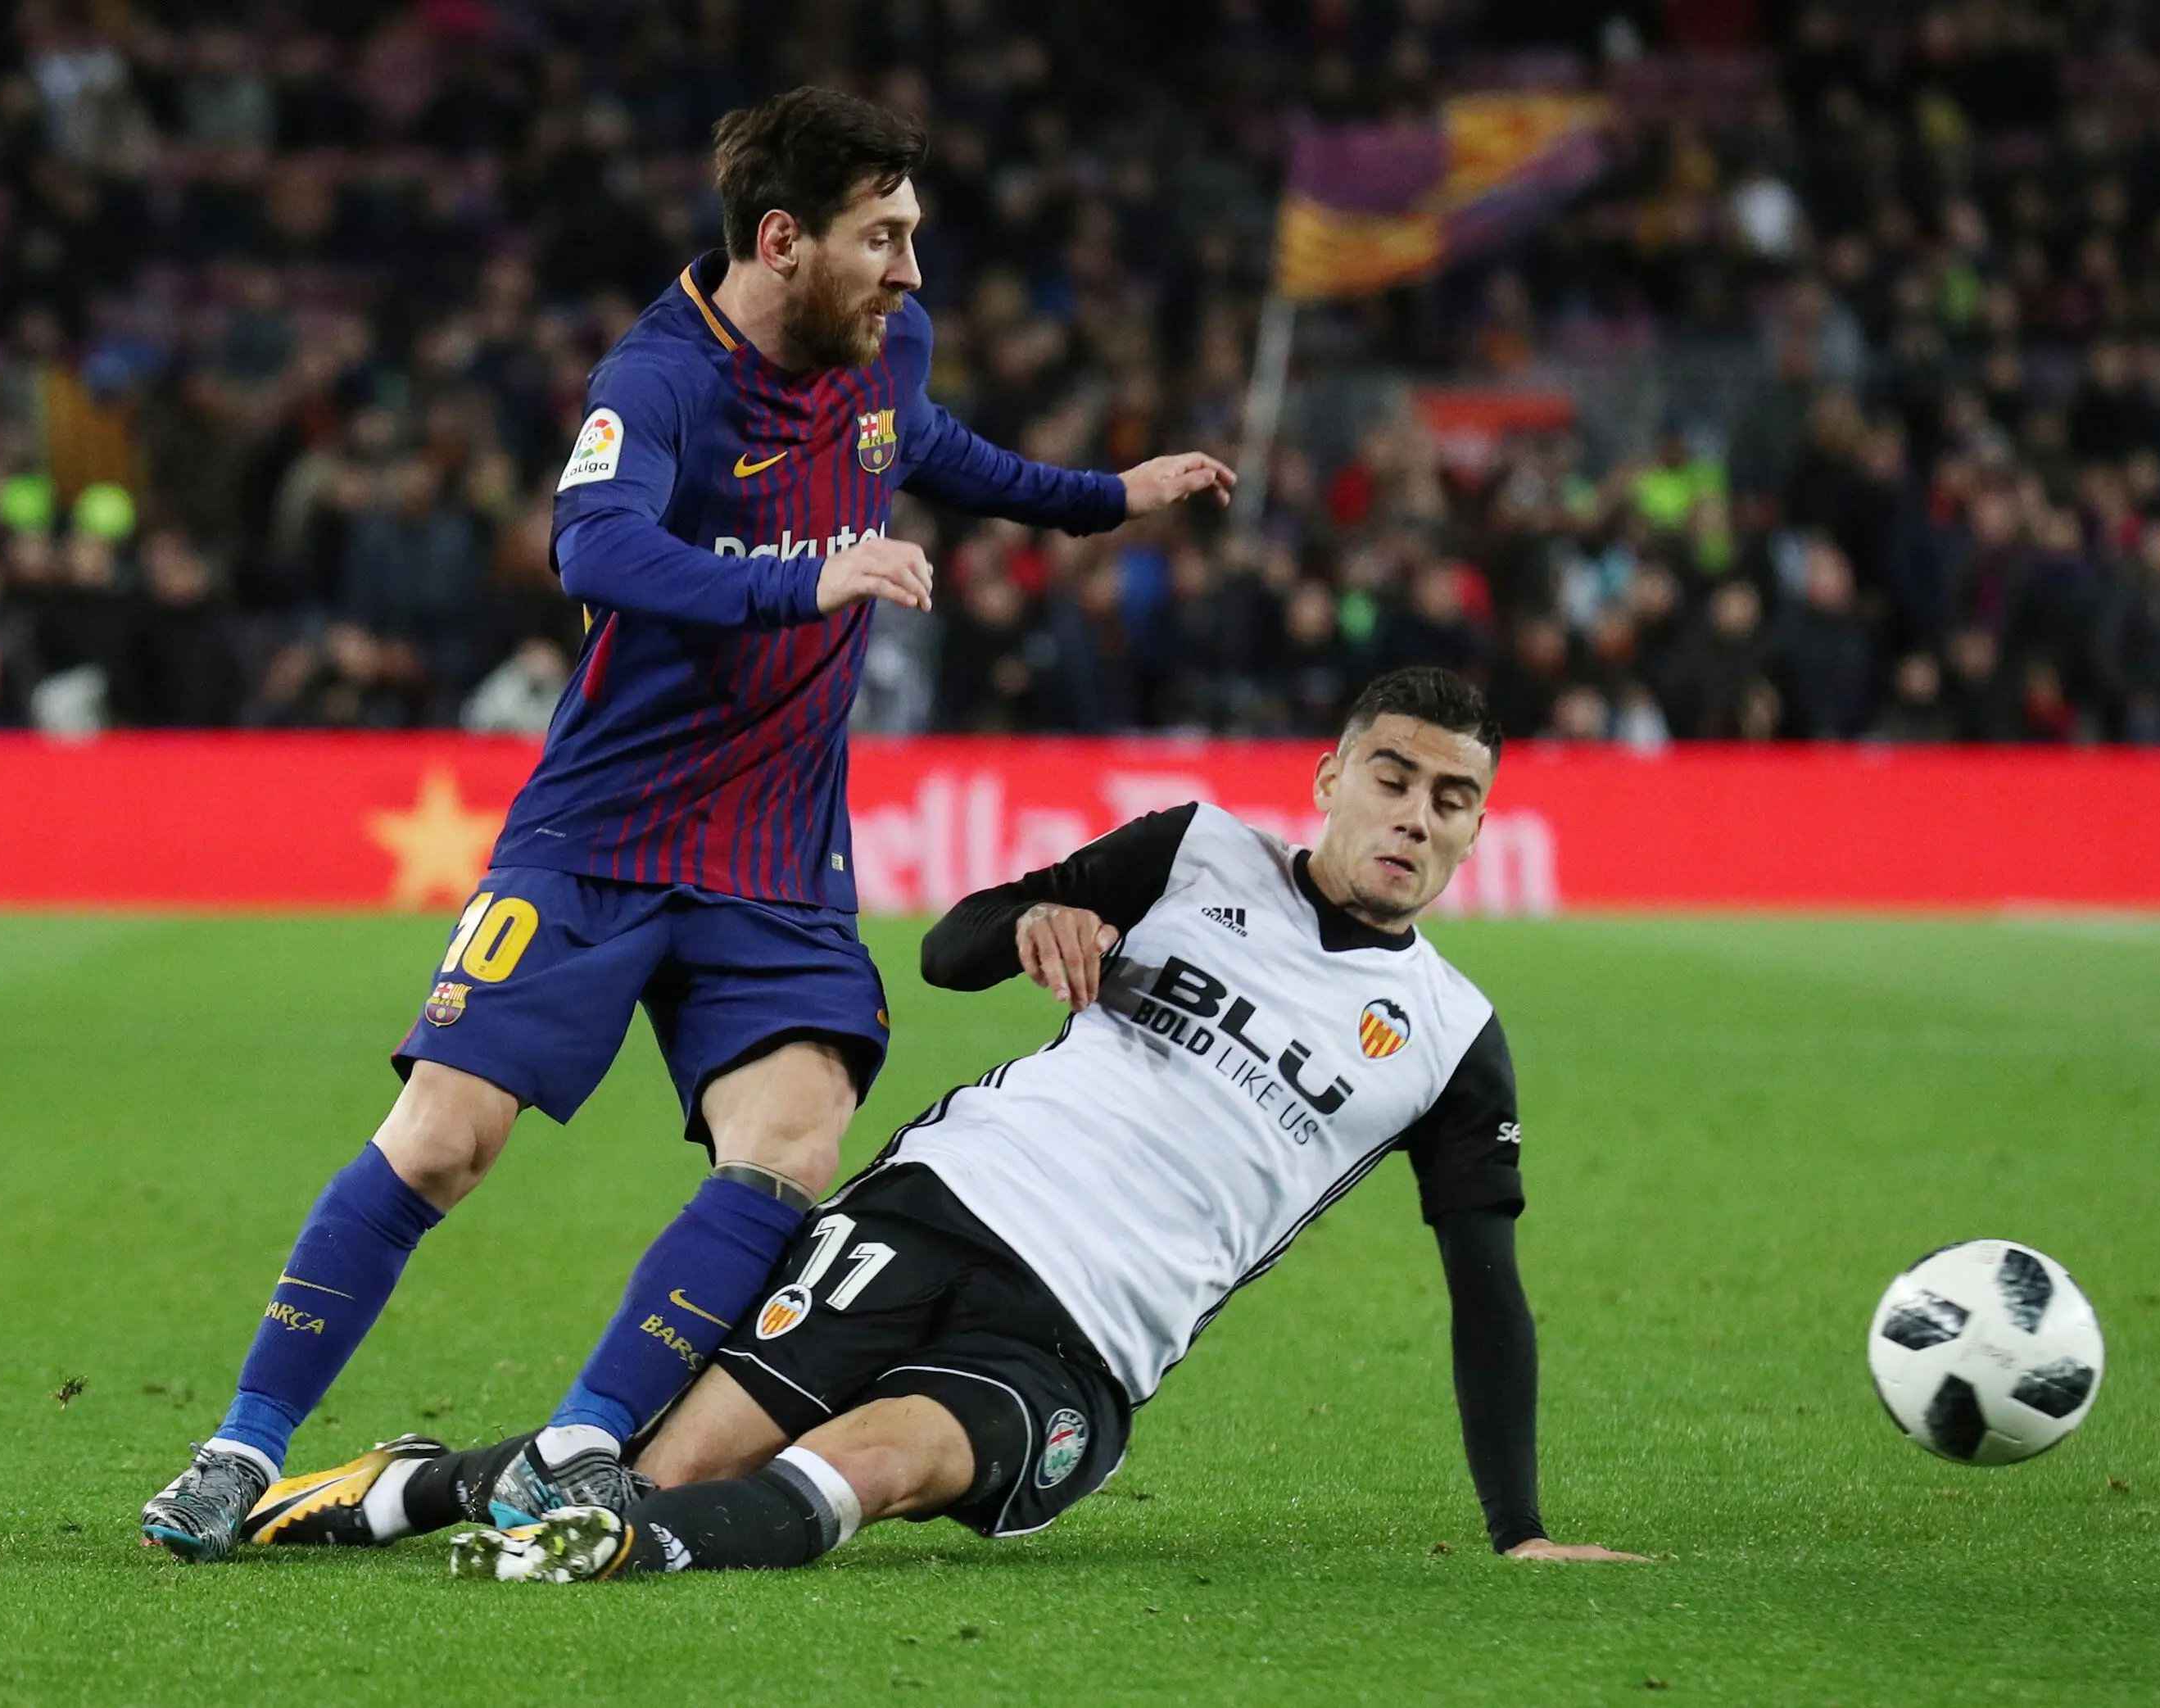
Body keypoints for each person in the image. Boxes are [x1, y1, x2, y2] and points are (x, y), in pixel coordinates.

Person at [141, 85, 1235, 1561]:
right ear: (782, 241)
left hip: (775, 859)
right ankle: (238, 1450)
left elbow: (932, 448)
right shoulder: (655, 379)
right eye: (884, 238)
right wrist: (807, 581)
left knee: (791, 1139)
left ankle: (581, 1445)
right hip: (602, 832)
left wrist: (1110, 496)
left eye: (913, 235)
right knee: (445, 1141)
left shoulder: (886, 349)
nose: (911, 271)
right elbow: (592, 547)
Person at [247, 668, 1643, 1574]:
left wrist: (1519, 1531)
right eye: (1392, 778)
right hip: (944, 1207)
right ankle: (432, 1489)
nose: (1415, 817)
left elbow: (1487, 1289)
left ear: (1477, 828)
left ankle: (621, 1554)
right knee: (670, 1464)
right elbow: (953, 946)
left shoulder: (1452, 1040)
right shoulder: (1195, 852)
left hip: (1091, 1340)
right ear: (1332, 779)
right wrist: (1036, 918)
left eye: (1452, 799)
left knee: (879, 1467)